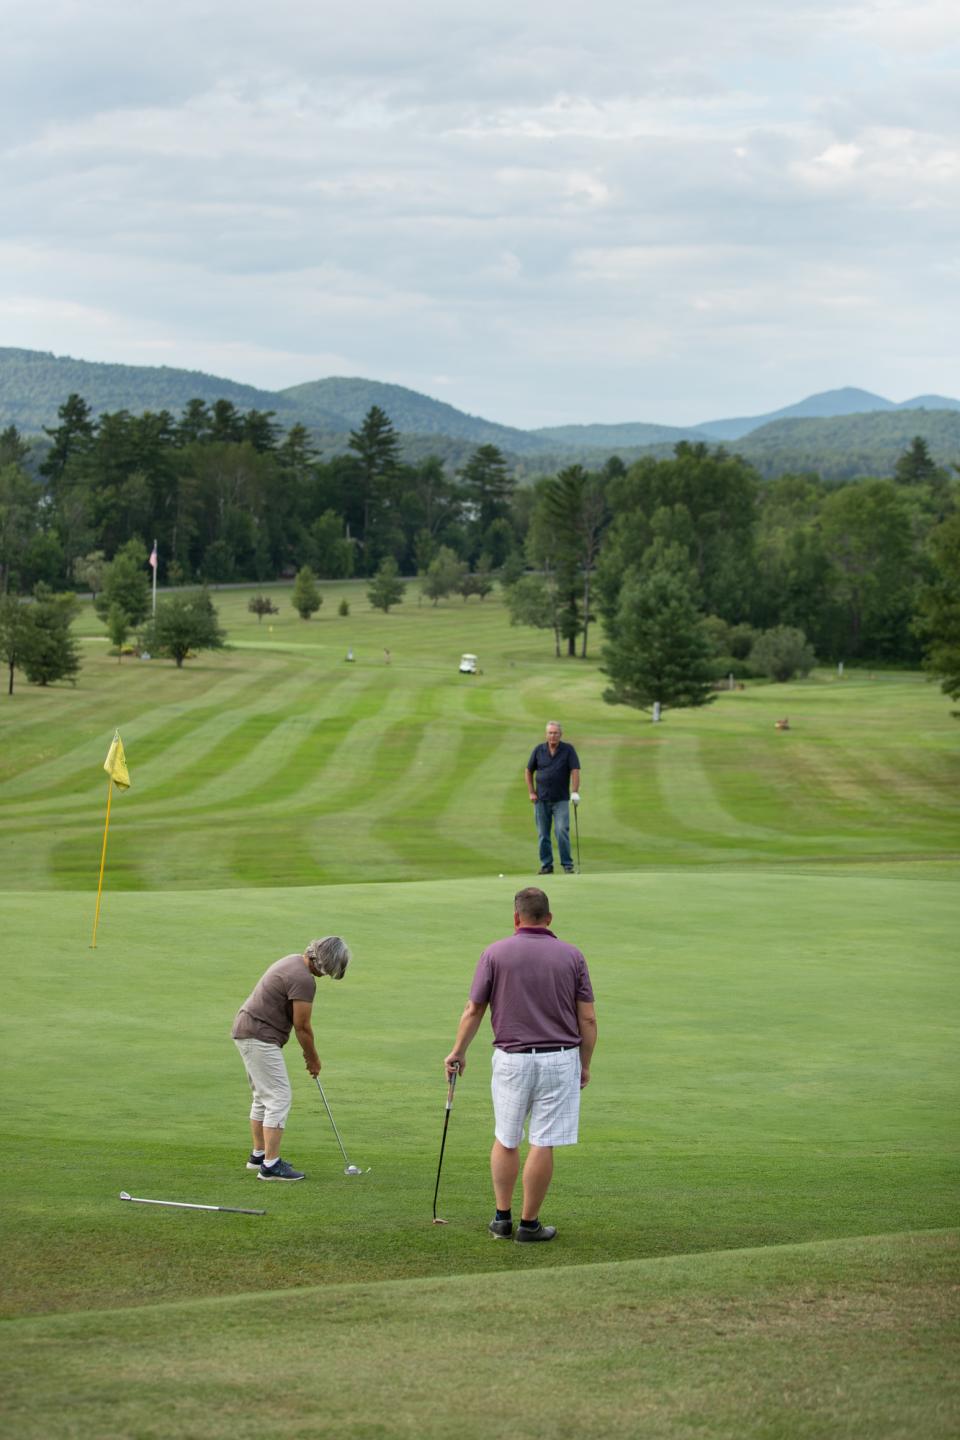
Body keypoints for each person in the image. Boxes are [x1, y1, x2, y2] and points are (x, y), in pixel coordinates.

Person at [443, 887, 597, 1243]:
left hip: (511, 1060)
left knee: (506, 1138)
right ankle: (529, 1225)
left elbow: (473, 1010)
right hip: (559, 1059)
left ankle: (501, 1219)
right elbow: (587, 1020)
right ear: (549, 919)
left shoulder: (495, 953)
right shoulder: (572, 955)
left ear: (516, 918)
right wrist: (584, 1064)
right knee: (543, 1142)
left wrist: (458, 1052)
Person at [231, 936, 350, 1181]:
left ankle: (259, 1156)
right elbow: (302, 1026)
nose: (327, 976)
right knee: (278, 1097)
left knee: (263, 1097)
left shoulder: (293, 961)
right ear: (325, 962)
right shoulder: (303, 979)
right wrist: (313, 1059)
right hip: (258, 1035)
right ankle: (270, 1166)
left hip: (249, 1031)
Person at [525, 720, 581, 874]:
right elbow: (529, 771)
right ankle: (547, 865)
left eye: (555, 733)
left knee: (562, 830)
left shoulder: (568, 750)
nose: (553, 735)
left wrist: (575, 792)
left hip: (561, 799)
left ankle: (567, 864)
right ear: (546, 734)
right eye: (550, 733)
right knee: (543, 834)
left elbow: (575, 770)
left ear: (560, 734)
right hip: (541, 799)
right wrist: (531, 791)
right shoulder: (539, 750)